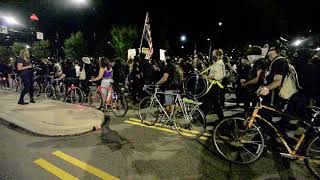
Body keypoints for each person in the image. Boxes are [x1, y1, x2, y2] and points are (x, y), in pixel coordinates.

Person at [241, 46, 268, 114]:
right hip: (253, 90)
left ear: (254, 55)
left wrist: (246, 83)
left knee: (255, 109)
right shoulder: (259, 62)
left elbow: (257, 79)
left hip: (255, 90)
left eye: (249, 56)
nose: (248, 58)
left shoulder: (260, 62)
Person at [201, 49, 226, 121]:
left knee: (208, 102)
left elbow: (217, 76)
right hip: (215, 85)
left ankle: (201, 118)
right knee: (215, 104)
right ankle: (222, 119)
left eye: (213, 54)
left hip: (215, 85)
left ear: (218, 55)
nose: (212, 55)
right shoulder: (218, 62)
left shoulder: (218, 63)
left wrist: (206, 77)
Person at [156, 51, 176, 115]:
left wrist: (157, 83)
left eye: (165, 56)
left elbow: (165, 78)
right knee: (172, 104)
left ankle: (169, 119)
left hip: (169, 87)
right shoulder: (175, 64)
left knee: (168, 104)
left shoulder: (169, 65)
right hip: (175, 86)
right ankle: (170, 117)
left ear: (167, 57)